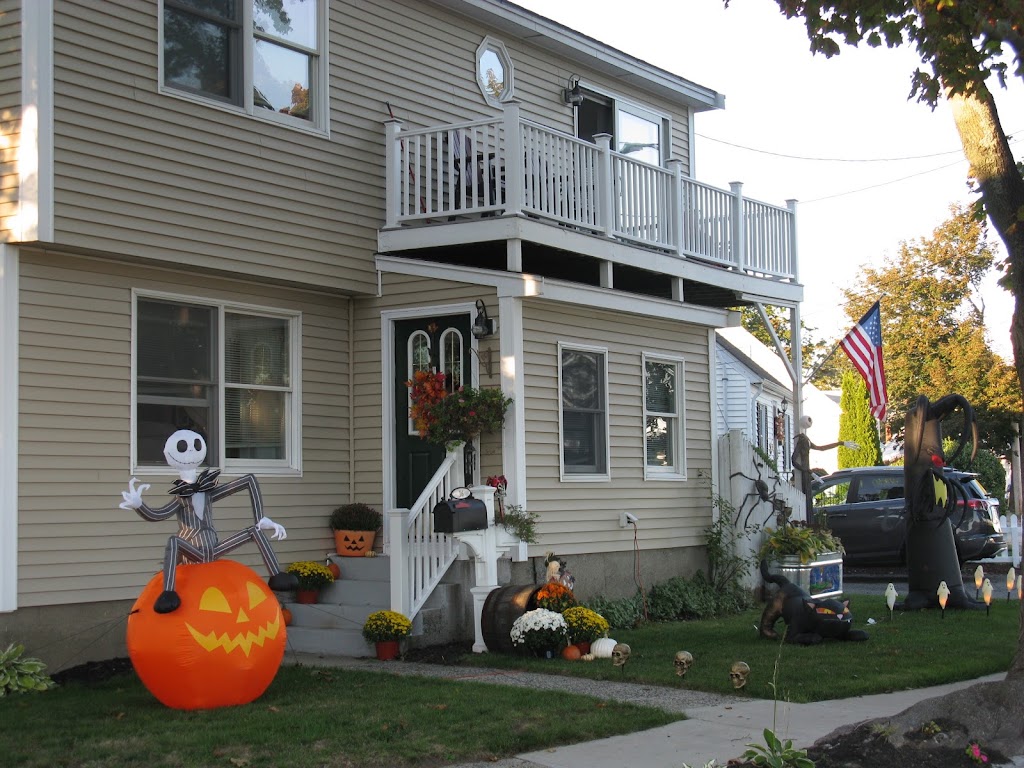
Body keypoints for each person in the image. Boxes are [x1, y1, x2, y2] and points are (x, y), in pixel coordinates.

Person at [792, 415, 859, 518]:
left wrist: (841, 443)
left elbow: (821, 448)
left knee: (808, 500)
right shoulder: (801, 439)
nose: (809, 422)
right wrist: (810, 472)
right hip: (805, 473)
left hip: (807, 471)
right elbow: (794, 460)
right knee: (806, 499)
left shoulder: (806, 439)